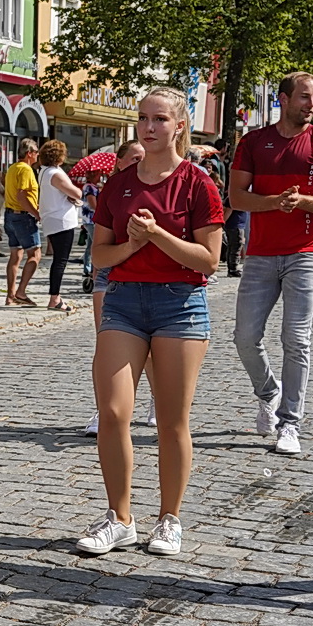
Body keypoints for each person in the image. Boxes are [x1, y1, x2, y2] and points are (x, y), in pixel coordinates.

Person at [78, 88, 223, 559]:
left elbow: (209, 260)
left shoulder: (198, 184)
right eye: (143, 118)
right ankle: (119, 517)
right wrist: (134, 247)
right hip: (123, 300)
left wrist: (158, 235)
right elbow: (99, 254)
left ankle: (169, 518)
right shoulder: (119, 185)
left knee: (171, 420)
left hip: (180, 304)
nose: (148, 127)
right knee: (114, 412)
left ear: (180, 125)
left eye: (159, 119)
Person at [228, 71, 313, 457]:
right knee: (245, 337)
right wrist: (274, 201)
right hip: (261, 254)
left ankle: (289, 422)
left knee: (296, 338)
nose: (311, 105)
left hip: (306, 252)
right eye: (304, 97)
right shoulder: (254, 142)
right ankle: (267, 392)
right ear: (282, 99)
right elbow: (237, 198)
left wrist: (302, 203)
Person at [82, 141, 154, 437]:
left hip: (146, 273)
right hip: (109, 270)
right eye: (135, 157)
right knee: (106, 343)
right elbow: (102, 235)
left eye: (143, 157)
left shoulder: (156, 183)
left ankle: (156, 400)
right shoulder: (114, 187)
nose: (141, 161)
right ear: (120, 162)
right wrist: (99, 271)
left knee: (148, 348)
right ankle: (103, 408)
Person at [36, 139, 84, 313]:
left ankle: (55, 296)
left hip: (51, 218)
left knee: (58, 259)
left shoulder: (44, 171)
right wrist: (78, 194)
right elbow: (76, 192)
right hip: (61, 220)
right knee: (60, 261)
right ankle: (54, 298)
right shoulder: (55, 173)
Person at [4, 138, 42, 305]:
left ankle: (10, 295)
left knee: (15, 255)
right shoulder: (26, 169)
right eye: (35, 153)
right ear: (29, 154)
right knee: (34, 254)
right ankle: (21, 291)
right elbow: (22, 195)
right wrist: (36, 212)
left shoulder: (12, 168)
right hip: (23, 216)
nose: (37, 156)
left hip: (10, 214)